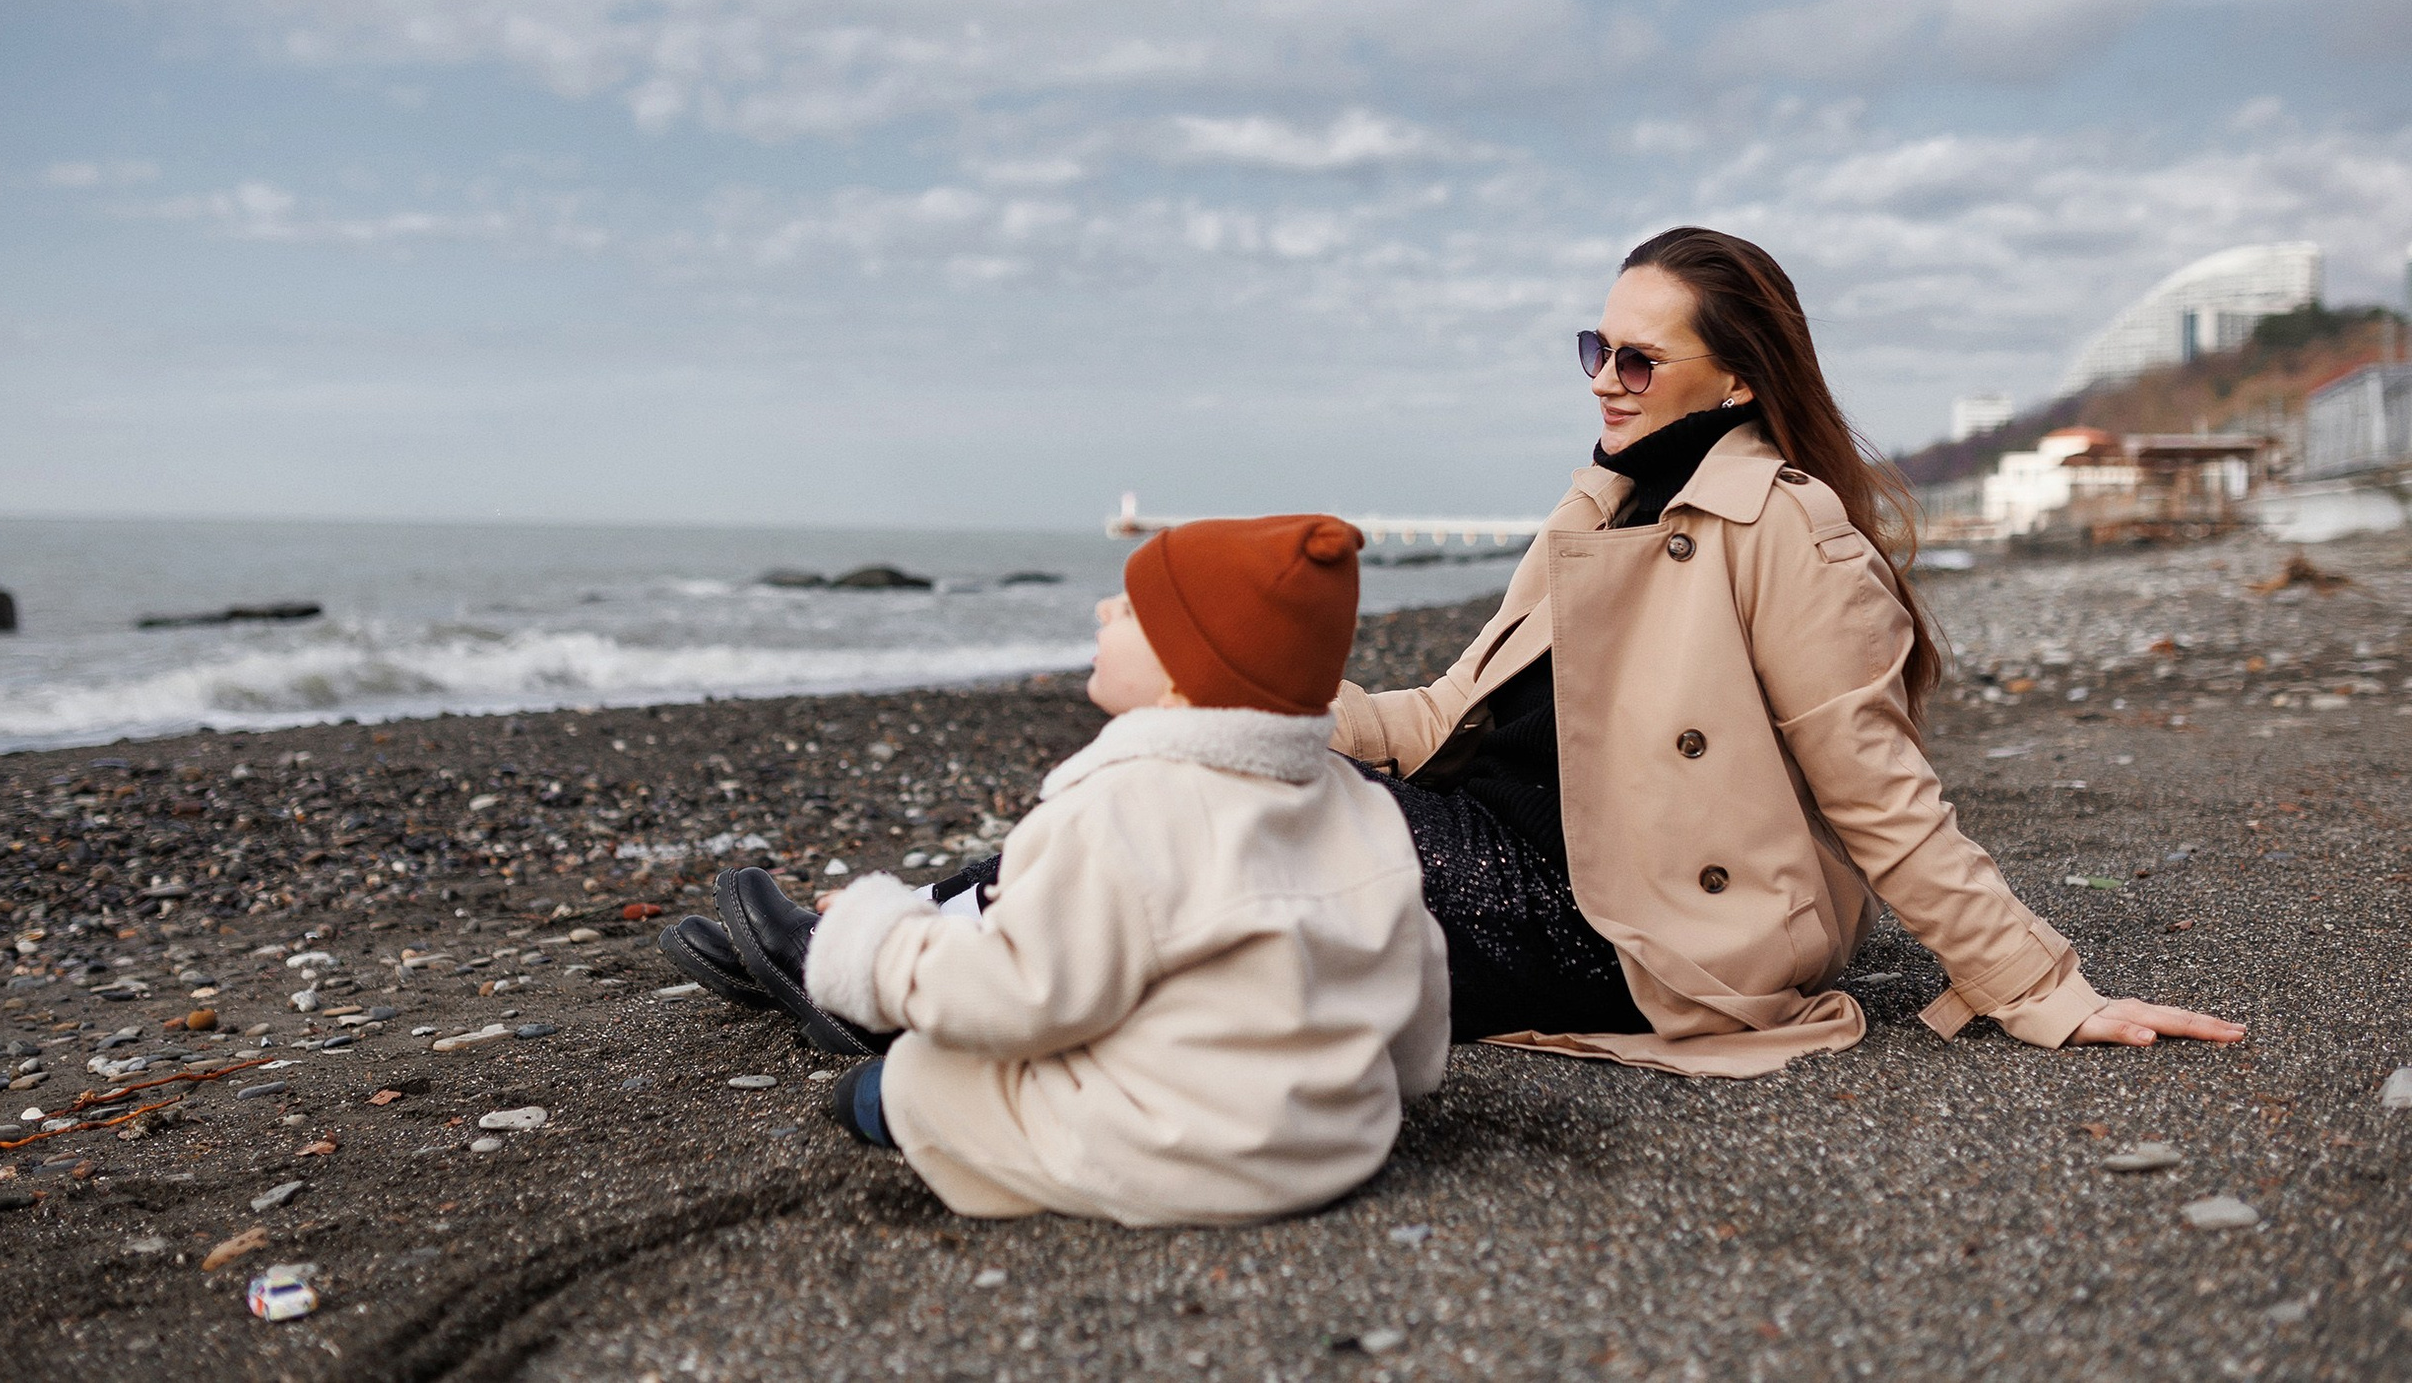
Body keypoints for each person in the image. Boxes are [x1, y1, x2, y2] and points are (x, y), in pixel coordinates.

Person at [1322, 226, 2243, 1073]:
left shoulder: (1786, 526)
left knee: (1241, 837)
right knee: (1228, 783)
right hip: (1491, 848)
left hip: (1610, 924)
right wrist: (1250, 706)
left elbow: (1880, 792)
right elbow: (1446, 709)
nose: (1604, 379)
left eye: (1638, 361)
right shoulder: (1600, 502)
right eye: (1595, 350)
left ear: (1738, 380)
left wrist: (2038, 986)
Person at [699, 515, 1449, 1225]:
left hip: (1182, 1154)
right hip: (1341, 1144)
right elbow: (1415, 980)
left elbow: (1020, 991)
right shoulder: (1360, 804)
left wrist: (870, 942)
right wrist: (1393, 1081)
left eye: (1129, 610)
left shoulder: (1121, 809)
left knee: (922, 1073)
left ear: (1183, 680)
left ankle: (888, 1105)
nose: (1101, 608)